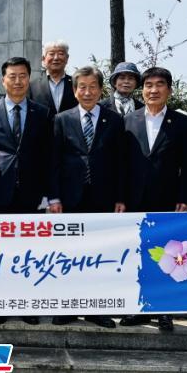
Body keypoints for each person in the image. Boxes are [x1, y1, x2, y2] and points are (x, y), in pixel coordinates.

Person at [47, 65, 125, 328]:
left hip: (103, 198)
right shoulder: (62, 119)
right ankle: (67, 307)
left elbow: (121, 163)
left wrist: (120, 197)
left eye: (93, 87)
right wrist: (54, 198)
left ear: (101, 90)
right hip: (70, 198)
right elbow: (54, 162)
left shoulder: (114, 120)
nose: (88, 92)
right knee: (69, 253)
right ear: (74, 90)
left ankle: (96, 309)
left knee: (98, 254)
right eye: (82, 87)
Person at [0, 57, 52, 326]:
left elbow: (48, 158)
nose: (18, 81)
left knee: (29, 251)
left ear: (29, 79)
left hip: (31, 194)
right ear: (3, 80)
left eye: (22, 76)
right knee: (0, 251)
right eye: (12, 76)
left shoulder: (42, 113)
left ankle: (27, 304)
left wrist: (48, 194)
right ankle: (1, 303)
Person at [120, 66, 187, 331]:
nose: (153, 90)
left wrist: (186, 196)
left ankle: (164, 311)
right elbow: (121, 165)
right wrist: (120, 197)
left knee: (167, 254)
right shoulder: (128, 120)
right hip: (134, 199)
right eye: (148, 85)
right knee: (138, 254)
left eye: (159, 85)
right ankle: (139, 308)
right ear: (142, 90)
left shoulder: (181, 123)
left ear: (169, 90)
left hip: (167, 198)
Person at [28, 40, 78, 117]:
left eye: (61, 54)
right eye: (51, 54)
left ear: (67, 58)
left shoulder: (76, 83)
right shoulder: (32, 86)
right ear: (43, 59)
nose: (56, 58)